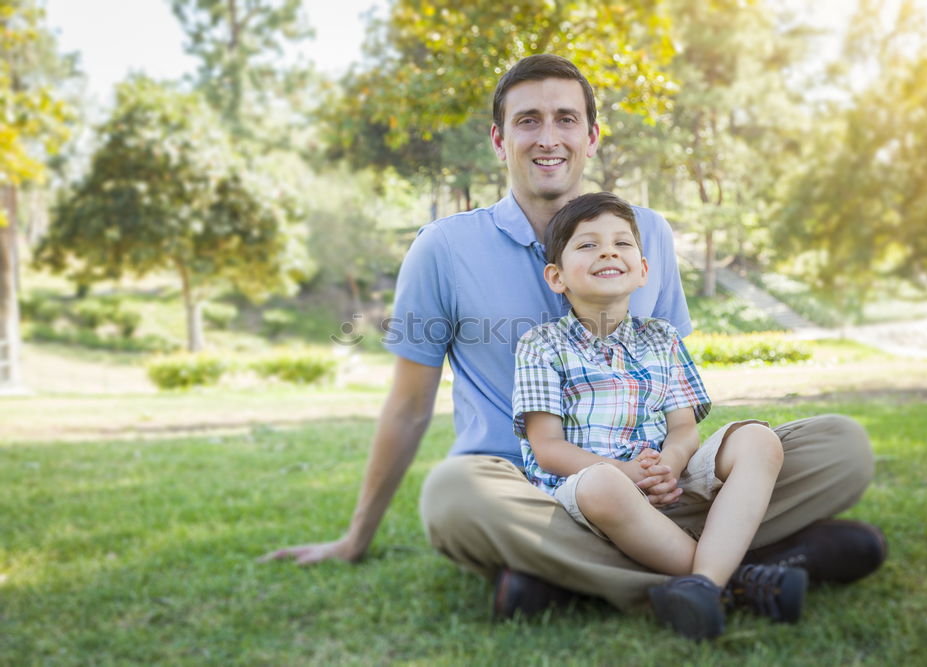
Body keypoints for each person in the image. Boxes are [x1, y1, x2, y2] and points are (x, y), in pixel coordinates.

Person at [261, 54, 886, 619]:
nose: (548, 137)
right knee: (451, 494)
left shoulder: (649, 234)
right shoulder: (442, 248)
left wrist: (665, 467)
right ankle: (740, 572)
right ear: (499, 140)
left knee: (841, 446)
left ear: (591, 136)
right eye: (528, 120)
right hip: (530, 496)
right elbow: (408, 404)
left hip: (658, 486)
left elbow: (675, 389)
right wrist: (355, 537)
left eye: (566, 118)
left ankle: (565, 582)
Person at [513, 191, 807, 639]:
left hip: (666, 481)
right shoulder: (542, 344)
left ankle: (705, 584)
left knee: (757, 440)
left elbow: (685, 429)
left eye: (622, 243)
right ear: (556, 277)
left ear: (644, 270)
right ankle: (736, 579)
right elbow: (548, 449)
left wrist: (667, 466)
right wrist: (627, 472)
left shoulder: (662, 339)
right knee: (604, 486)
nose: (608, 251)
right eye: (588, 244)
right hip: (592, 490)